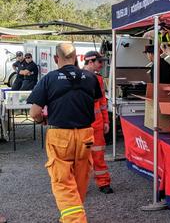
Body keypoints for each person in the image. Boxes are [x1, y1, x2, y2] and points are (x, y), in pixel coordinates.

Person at [27, 43, 102, 223]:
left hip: (60, 136)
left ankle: (75, 219)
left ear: (55, 59)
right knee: (79, 180)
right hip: (86, 135)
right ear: (77, 57)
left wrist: (41, 120)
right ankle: (71, 216)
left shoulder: (49, 78)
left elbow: (35, 113)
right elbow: (94, 102)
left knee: (62, 182)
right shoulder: (91, 78)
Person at [82, 51, 113, 194]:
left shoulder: (99, 79)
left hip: (97, 124)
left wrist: (106, 121)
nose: (102, 64)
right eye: (99, 62)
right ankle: (79, 184)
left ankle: (103, 183)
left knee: (98, 155)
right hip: (82, 124)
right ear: (90, 62)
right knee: (80, 156)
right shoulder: (77, 77)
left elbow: (102, 102)